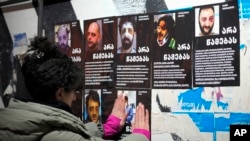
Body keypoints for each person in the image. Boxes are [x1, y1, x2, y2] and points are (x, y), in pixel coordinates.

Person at [0, 37, 150, 141]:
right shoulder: (54, 136)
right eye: (72, 91)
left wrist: (104, 128)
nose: (74, 97)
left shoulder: (16, 120)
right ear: (59, 93)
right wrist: (141, 135)